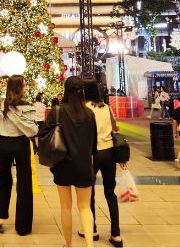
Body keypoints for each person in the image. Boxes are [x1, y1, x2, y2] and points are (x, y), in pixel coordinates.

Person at [39, 77, 97, 248]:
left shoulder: (58, 111)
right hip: (84, 165)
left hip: (62, 164)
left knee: (66, 207)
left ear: (65, 91)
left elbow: (43, 133)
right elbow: (93, 144)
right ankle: (89, 245)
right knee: (85, 207)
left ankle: (68, 244)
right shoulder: (89, 113)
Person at [82, 78, 125, 247]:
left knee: (89, 193)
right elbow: (116, 130)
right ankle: (116, 234)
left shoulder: (85, 108)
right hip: (109, 154)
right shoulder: (107, 108)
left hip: (92, 155)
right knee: (110, 193)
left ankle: (92, 229)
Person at [0, 75, 38, 236]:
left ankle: (1, 218)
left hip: (4, 145)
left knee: (4, 181)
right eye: (24, 86)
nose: (26, 88)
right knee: (24, 184)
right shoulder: (27, 106)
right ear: (19, 88)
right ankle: (23, 226)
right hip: (21, 145)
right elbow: (33, 130)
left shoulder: (2, 105)